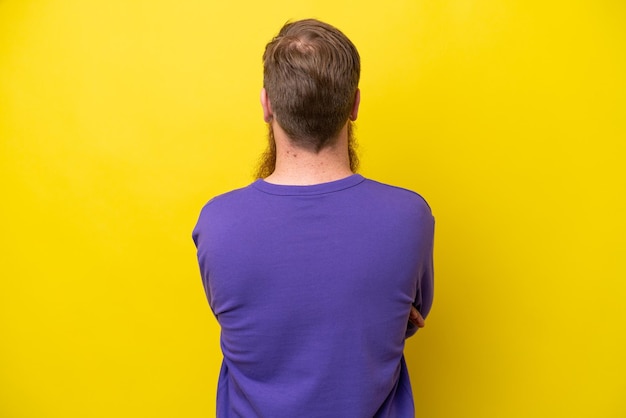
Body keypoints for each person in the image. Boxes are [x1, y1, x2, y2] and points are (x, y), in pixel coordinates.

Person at [192, 19, 434, 418]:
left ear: (267, 104)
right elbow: (410, 317)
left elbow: (240, 313)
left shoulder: (218, 223)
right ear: (354, 104)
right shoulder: (410, 217)